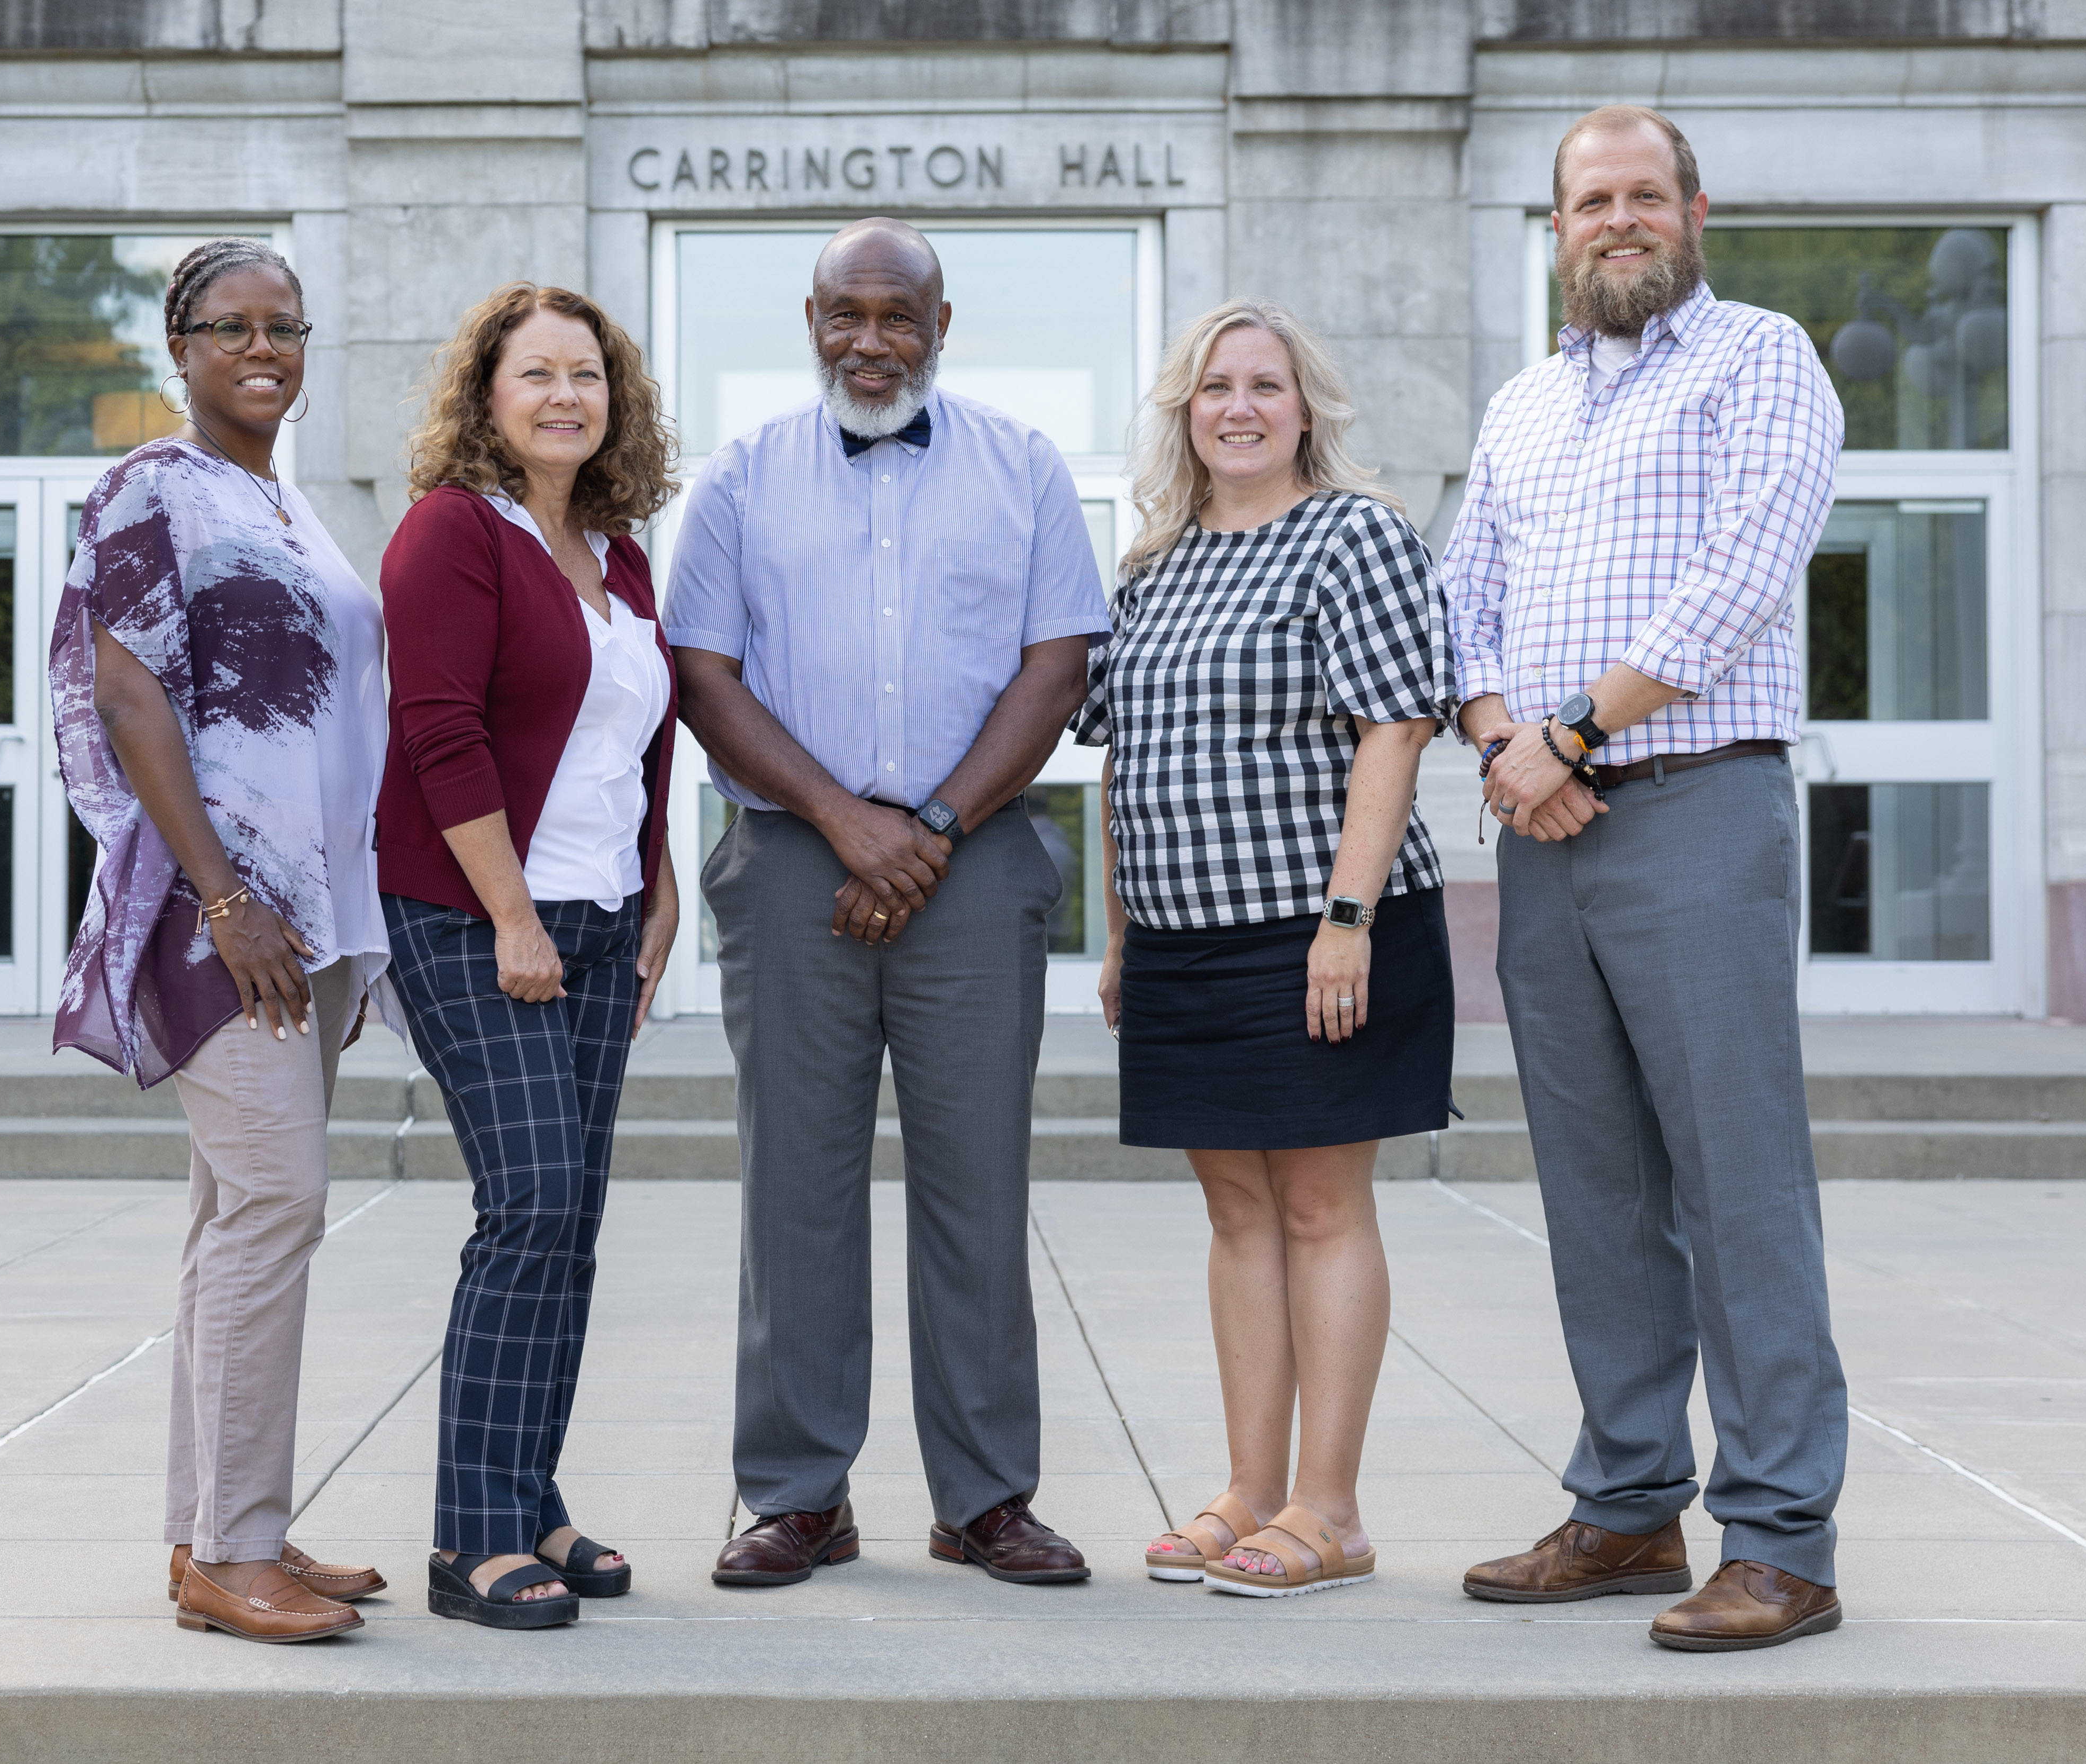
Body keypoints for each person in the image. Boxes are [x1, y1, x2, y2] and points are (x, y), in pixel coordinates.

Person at [1439, 104, 1849, 1651]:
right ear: (1554, 229)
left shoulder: (1763, 357)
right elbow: (1459, 589)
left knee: (1739, 1184)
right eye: (1587, 200)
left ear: (1694, 209)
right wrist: (1501, 740)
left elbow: (1750, 563)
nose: (1617, 219)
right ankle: (1624, 1503)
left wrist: (1567, 728)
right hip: (1547, 834)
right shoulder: (1524, 405)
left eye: (1641, 195)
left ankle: (1783, 1535)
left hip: (1695, 810)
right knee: (1598, 1188)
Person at [665, 218, 1110, 1589]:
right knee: (796, 1184)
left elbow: (1057, 662)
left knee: (978, 1183)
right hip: (796, 861)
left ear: (941, 321)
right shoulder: (740, 479)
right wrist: (848, 823)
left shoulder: (1024, 468)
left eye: (898, 316)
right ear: (811, 319)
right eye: (846, 315)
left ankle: (984, 1494)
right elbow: (704, 672)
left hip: (971, 863)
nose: (872, 341)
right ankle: (802, 1491)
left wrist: (925, 826)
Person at [1075, 300, 1456, 1599]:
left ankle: (1331, 1508)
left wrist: (1344, 922)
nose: (1240, 407)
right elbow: (1130, 760)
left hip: (1320, 934)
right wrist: (1123, 936)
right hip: (1182, 942)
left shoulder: (1354, 535)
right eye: (1214, 388)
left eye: (1266, 386)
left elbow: (1395, 730)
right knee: (1235, 1211)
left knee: (1316, 1203)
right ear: (1185, 414)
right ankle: (1248, 1491)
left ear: (1307, 408)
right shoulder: (1154, 564)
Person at [52, 237, 394, 1644]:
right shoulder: (149, 488)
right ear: (178, 347)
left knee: (229, 1218)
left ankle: (219, 1532)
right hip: (224, 919)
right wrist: (226, 897)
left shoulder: (285, 503)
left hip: (303, 921)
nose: (264, 348)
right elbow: (131, 697)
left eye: (287, 327)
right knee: (278, 1203)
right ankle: (233, 1543)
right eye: (231, 326)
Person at [375, 282, 683, 1631]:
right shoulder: (451, 533)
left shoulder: (617, 551)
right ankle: (472, 1535)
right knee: (532, 1205)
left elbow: (637, 744)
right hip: (473, 913)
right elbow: (439, 731)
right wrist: (510, 915)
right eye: (537, 372)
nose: (567, 395)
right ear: (486, 394)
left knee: (574, 1228)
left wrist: (660, 883)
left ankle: (532, 1495)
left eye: (589, 375)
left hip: (606, 918)